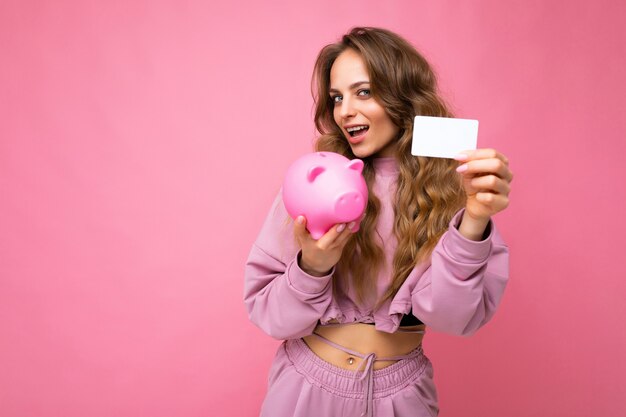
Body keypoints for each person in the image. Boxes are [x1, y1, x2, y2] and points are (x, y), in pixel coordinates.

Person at [244, 26, 513, 417]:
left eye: (363, 92)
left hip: (403, 398)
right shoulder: (316, 182)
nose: (344, 111)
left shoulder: (455, 193)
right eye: (337, 97)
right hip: (305, 390)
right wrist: (313, 266)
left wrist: (473, 220)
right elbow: (270, 315)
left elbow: (455, 319)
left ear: (403, 96)